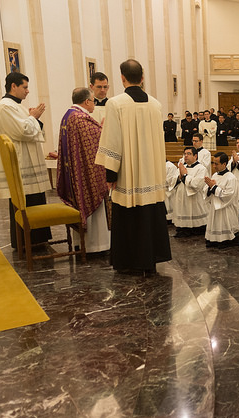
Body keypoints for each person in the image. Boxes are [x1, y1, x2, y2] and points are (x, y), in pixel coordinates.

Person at [95, 59, 171, 274]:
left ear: (122, 78)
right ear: (143, 77)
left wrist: (110, 173)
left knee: (129, 214)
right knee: (150, 213)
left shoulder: (116, 104)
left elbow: (112, 140)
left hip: (128, 173)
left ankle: (130, 261)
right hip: (152, 173)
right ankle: (151, 258)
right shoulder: (156, 104)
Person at [0, 72, 52, 249]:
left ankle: (38, 239)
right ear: (14, 86)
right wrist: (33, 117)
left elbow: (30, 129)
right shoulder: (5, 106)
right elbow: (21, 131)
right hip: (20, 164)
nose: (27, 91)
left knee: (36, 200)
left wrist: (34, 118)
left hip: (29, 162)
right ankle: (25, 241)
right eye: (25, 87)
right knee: (25, 203)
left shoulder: (17, 106)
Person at [56, 87, 109, 253]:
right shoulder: (80, 119)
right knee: (92, 199)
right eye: (93, 101)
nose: (94, 105)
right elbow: (96, 140)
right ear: (86, 101)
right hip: (86, 174)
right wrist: (103, 129)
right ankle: (96, 246)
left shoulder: (68, 116)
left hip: (75, 172)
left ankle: (81, 243)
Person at [204, 152, 239, 247]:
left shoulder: (231, 178)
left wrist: (213, 187)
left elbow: (228, 195)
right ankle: (214, 239)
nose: (214, 166)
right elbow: (207, 190)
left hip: (226, 208)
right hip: (215, 207)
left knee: (224, 226)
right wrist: (209, 188)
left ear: (224, 164)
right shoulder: (215, 175)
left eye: (216, 164)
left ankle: (225, 240)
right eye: (213, 163)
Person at [173, 146, 208, 237]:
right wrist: (179, 177)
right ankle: (183, 228)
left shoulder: (201, 168)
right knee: (183, 210)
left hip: (194, 197)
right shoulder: (182, 167)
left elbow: (196, 184)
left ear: (195, 156)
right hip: (182, 195)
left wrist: (185, 175)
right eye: (185, 154)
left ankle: (196, 228)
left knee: (194, 211)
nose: (186, 156)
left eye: (189, 154)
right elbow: (173, 181)